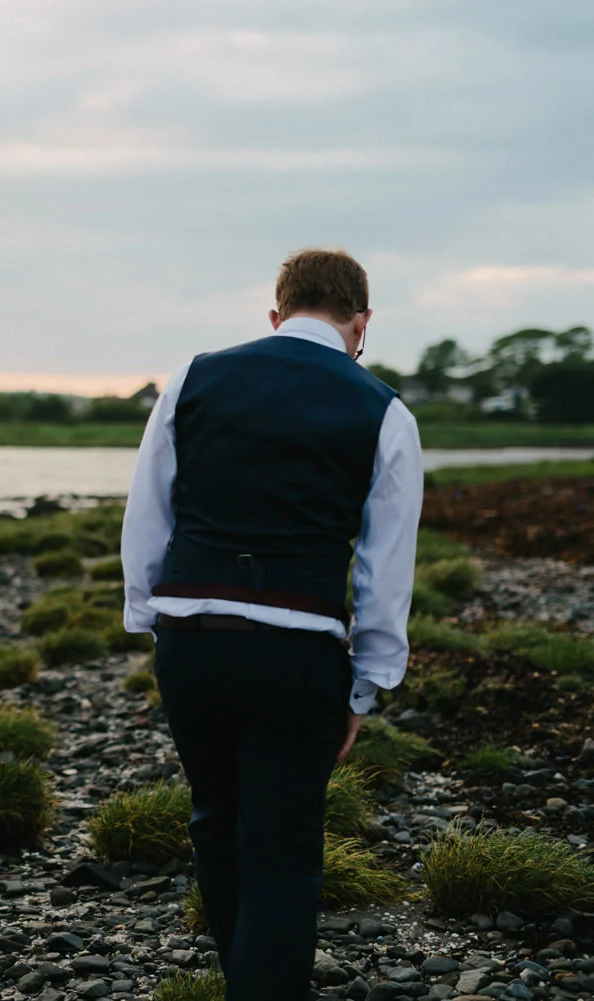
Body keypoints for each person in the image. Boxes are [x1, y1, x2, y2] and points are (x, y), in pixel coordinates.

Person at [121, 249, 423, 1001]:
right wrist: (367, 686)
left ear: (276, 314)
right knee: (284, 845)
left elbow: (148, 512)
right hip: (299, 649)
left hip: (192, 635)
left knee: (215, 819)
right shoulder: (384, 409)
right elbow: (385, 568)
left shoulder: (193, 378)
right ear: (362, 322)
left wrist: (151, 620)